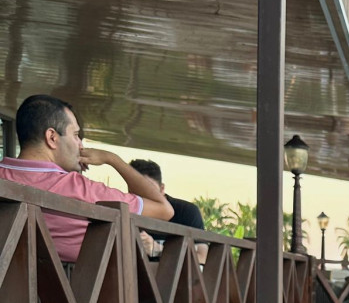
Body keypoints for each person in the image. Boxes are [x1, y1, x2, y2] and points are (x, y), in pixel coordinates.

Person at [0, 95, 173, 262]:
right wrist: (112, 159)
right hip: (68, 282)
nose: (81, 145)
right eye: (76, 135)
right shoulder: (82, 189)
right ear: (52, 138)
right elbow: (164, 210)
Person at [129, 158, 208, 265]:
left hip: (176, 275)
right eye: (135, 189)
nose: (143, 194)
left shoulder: (187, 212)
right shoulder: (126, 210)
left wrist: (159, 250)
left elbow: (202, 257)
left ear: (162, 188)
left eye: (149, 189)